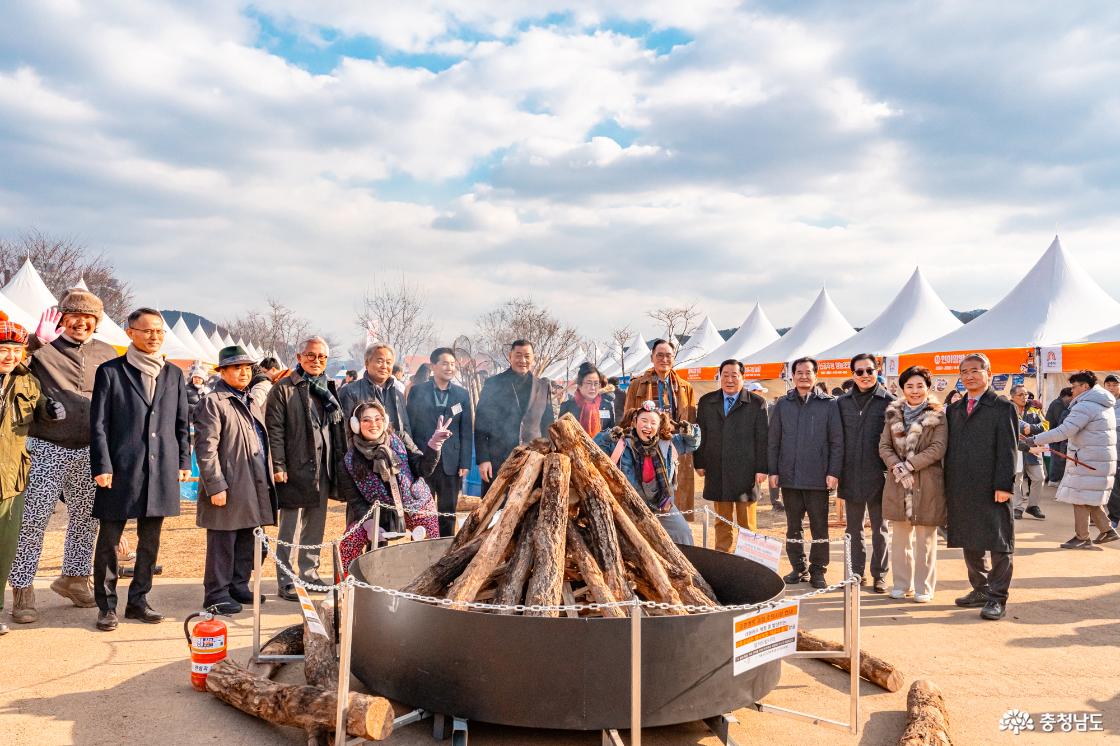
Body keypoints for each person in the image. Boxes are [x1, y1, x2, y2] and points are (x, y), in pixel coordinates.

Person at [8, 291, 117, 625]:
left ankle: (74, 578)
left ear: (96, 322)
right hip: (46, 445)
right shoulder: (41, 350)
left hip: (91, 449)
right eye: (73, 316)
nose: (81, 322)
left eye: (88, 318)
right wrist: (34, 345)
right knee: (33, 519)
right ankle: (23, 589)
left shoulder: (107, 353)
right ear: (61, 317)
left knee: (87, 518)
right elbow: (10, 365)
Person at [89, 309, 190, 631]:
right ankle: (106, 605)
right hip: (120, 468)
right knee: (109, 539)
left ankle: (139, 600)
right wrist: (102, 464)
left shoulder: (173, 374)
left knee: (151, 540)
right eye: (147, 331)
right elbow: (99, 425)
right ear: (130, 333)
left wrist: (184, 461)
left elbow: (181, 423)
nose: (154, 337)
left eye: (159, 332)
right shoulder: (110, 372)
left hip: (160, 468)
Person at [193, 346, 276, 614]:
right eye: (236, 367)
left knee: (248, 540)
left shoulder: (250, 400)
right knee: (222, 543)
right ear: (223, 371)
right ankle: (216, 593)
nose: (243, 372)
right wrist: (215, 485)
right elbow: (206, 449)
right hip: (228, 484)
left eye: (247, 368)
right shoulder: (214, 402)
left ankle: (238, 585)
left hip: (253, 482)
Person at [265, 336, 345, 601]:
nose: (316, 361)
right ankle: (286, 580)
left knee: (316, 525)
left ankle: (309, 573)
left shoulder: (328, 389)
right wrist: (278, 464)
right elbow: (274, 431)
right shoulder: (283, 388)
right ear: (299, 357)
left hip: (323, 467)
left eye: (322, 357)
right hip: (294, 468)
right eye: (311, 355)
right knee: (290, 527)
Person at [0, 320, 64, 635]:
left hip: (11, 479)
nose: (10, 356)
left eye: (16, 350)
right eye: (3, 349)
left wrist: (50, 410)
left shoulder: (28, 382)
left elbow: (40, 409)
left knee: (4, 549)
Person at [943, 353, 1017, 621]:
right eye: (964, 372)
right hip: (961, 486)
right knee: (969, 539)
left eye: (975, 370)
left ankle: (998, 598)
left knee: (999, 543)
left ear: (988, 373)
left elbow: (1008, 450)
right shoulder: (954, 409)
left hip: (992, 486)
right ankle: (980, 589)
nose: (970, 375)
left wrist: (1004, 484)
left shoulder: (1002, 407)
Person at [337, 400, 450, 570]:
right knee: (347, 544)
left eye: (378, 419)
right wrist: (369, 524)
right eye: (366, 420)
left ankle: (431, 585)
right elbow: (356, 501)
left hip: (416, 505)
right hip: (379, 513)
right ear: (355, 425)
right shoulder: (348, 462)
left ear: (385, 420)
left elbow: (423, 469)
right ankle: (347, 588)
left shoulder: (401, 439)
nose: (373, 424)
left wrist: (434, 446)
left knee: (431, 548)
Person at [768, 357, 843, 589]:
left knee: (819, 526)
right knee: (793, 525)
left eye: (808, 372)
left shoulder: (829, 404)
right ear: (792, 376)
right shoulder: (782, 404)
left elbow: (837, 441)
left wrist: (833, 471)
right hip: (789, 477)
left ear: (815, 375)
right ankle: (798, 568)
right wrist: (773, 470)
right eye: (799, 372)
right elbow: (773, 441)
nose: (803, 376)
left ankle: (818, 570)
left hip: (818, 477)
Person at [1026, 370, 1120, 548]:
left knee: (1079, 497)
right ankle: (1107, 530)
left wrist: (1034, 439)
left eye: (1074, 387)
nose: (1072, 391)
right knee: (1087, 497)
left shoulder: (1085, 405)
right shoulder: (1103, 403)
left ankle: (1082, 537)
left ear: (1085, 387)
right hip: (1096, 458)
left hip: (1088, 459)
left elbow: (1064, 431)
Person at [879, 366, 947, 602]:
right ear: (902, 388)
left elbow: (938, 448)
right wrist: (896, 465)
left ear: (928, 388)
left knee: (925, 539)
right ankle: (901, 583)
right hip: (898, 482)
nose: (915, 391)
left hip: (927, 482)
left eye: (920, 386)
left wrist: (909, 465)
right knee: (899, 538)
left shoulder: (938, 415)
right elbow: (884, 446)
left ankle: (924, 587)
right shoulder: (893, 414)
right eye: (910, 386)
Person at [594, 402, 699, 545]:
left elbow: (693, 442)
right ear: (635, 421)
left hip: (662, 504)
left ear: (659, 426)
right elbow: (594, 446)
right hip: (628, 506)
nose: (648, 426)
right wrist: (608, 436)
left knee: (682, 533)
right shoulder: (620, 443)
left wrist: (689, 430)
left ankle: (686, 566)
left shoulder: (668, 443)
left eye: (653, 423)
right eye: (644, 421)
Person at [693, 360, 768, 551]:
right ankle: (723, 557)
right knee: (722, 522)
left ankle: (750, 560)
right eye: (725, 375)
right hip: (717, 468)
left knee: (747, 524)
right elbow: (700, 434)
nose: (729, 379)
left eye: (735, 375)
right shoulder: (707, 401)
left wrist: (762, 468)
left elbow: (762, 438)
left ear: (743, 377)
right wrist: (699, 462)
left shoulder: (757, 403)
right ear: (719, 377)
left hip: (747, 471)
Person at [837, 354, 894, 592]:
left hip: (880, 475)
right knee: (853, 528)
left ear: (877, 371)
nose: (865, 376)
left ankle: (880, 574)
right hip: (850, 474)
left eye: (869, 371)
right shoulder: (841, 403)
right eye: (859, 372)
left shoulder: (889, 401)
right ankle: (855, 574)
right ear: (853, 375)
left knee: (880, 528)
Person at [624, 339, 698, 514]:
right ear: (652, 357)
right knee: (647, 500)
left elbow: (692, 424)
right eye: (660, 355)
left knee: (675, 498)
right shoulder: (637, 384)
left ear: (674, 358)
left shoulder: (685, 387)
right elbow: (628, 417)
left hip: (675, 448)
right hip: (645, 448)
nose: (664, 359)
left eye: (668, 356)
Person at [406, 348, 473, 538]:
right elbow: (409, 426)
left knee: (448, 513)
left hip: (451, 464)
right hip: (423, 461)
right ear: (433, 366)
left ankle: (444, 553)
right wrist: (413, 457)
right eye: (444, 363)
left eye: (452, 364)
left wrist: (465, 462)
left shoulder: (462, 394)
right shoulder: (418, 391)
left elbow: (466, 430)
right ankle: (418, 552)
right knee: (421, 513)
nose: (449, 368)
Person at [474, 340, 554, 492]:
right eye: (518, 355)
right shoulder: (493, 384)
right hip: (498, 460)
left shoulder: (543, 386)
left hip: (532, 461)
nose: (522, 360)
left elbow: (548, 425)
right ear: (510, 356)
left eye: (527, 356)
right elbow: (480, 424)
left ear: (533, 358)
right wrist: (483, 459)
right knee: (493, 511)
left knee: (527, 511)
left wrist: (547, 457)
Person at [339, 344, 410, 438]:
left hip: (395, 451)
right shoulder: (350, 391)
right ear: (367, 363)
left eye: (389, 362)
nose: (384, 366)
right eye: (379, 361)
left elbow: (405, 428)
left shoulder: (398, 395)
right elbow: (344, 433)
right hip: (363, 451)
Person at [1009, 384, 1046, 520]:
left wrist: (1031, 428)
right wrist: (1024, 427)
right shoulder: (1007, 409)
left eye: (1026, 394)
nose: (1025, 397)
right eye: (1021, 395)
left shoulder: (1035, 408)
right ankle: (1017, 507)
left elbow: (1046, 425)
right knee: (1017, 478)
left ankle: (1033, 506)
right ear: (1012, 397)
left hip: (1034, 448)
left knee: (1039, 477)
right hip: (1016, 449)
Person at [559, 363, 616, 436]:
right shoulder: (567, 406)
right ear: (579, 385)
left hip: (601, 446)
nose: (593, 387)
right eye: (588, 383)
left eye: (596, 383)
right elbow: (561, 435)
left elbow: (611, 432)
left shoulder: (607, 405)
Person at [1045, 387, 1073, 485]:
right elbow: (1060, 421)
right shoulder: (1058, 404)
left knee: (1057, 458)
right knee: (1057, 458)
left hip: (1055, 435)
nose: (1072, 400)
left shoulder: (1059, 403)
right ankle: (1053, 479)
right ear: (1066, 396)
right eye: (1072, 397)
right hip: (1054, 435)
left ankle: (1053, 478)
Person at [1104, 375, 1120, 528]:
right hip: (1110, 453)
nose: (1111, 388)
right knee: (1112, 487)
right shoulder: (1103, 405)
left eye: (1115, 385)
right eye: (1108, 385)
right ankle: (1114, 517)